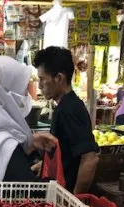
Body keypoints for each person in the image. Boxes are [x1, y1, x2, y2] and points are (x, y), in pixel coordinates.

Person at [33, 46, 99, 194]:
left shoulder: (70, 109)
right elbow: (67, 153)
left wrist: (75, 200)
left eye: (42, 79)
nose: (39, 86)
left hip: (68, 196)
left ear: (59, 78)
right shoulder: (64, 106)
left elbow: (90, 159)